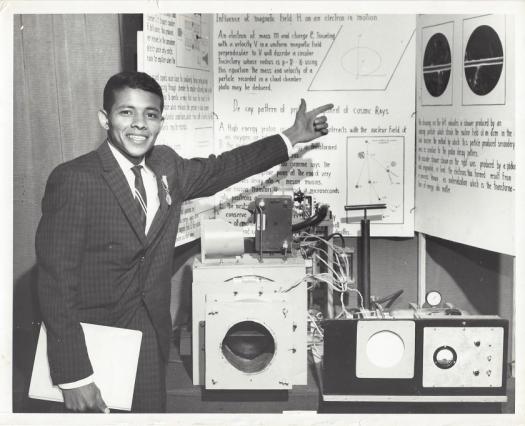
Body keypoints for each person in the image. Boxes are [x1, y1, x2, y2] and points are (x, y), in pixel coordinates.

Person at [35, 71, 332, 413]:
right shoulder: (74, 179)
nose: (139, 124)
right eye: (125, 112)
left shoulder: (166, 165)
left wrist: (292, 136)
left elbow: (227, 167)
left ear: (161, 121)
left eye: (150, 114)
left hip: (149, 337)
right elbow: (55, 284)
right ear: (105, 118)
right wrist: (74, 376)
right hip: (93, 344)